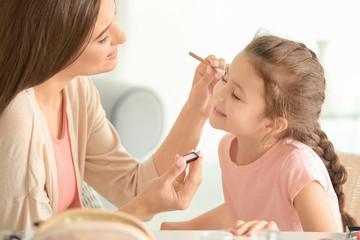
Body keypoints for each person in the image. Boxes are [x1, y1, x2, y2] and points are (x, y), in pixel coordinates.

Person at [0, 0, 228, 230]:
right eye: (102, 37)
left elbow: (133, 186)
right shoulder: (18, 125)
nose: (121, 37)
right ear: (56, 43)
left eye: (115, 17)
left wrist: (198, 107)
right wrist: (143, 207)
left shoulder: (76, 90)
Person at [161, 34, 358, 235]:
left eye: (236, 95)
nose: (219, 93)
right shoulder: (228, 147)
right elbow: (243, 207)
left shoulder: (296, 165)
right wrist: (184, 228)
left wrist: (277, 236)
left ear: (272, 124)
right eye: (226, 77)